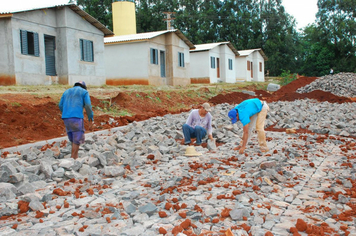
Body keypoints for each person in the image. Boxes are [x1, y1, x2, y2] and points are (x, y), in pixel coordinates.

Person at [59, 81, 93, 159]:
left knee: (72, 137)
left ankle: (73, 156)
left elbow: (60, 105)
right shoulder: (84, 92)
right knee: (77, 139)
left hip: (66, 118)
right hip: (77, 118)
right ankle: (74, 158)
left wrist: (66, 112)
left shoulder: (66, 92)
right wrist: (90, 114)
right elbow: (88, 105)